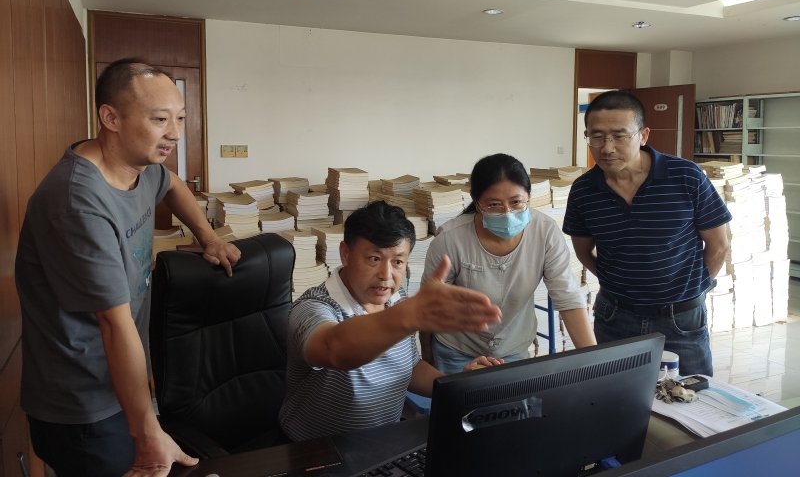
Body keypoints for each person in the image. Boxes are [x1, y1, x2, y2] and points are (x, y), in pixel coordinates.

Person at [15, 59, 242, 477]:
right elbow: (113, 323)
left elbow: (172, 184)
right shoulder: (78, 203)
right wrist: (147, 431)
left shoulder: (141, 167)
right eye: (160, 119)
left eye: (180, 118)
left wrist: (209, 237)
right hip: (83, 403)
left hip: (123, 380)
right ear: (111, 118)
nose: (175, 133)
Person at [279, 201, 503, 441]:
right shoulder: (312, 307)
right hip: (316, 451)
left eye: (397, 262)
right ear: (345, 254)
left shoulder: (396, 300)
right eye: (374, 259)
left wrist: (459, 384)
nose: (386, 275)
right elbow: (335, 349)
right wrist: (408, 316)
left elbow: (408, 367)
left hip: (382, 444)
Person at [563, 90, 731, 377]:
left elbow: (719, 245)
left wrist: (696, 289)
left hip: (681, 319)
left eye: (619, 136)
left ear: (643, 135)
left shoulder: (686, 177)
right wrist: (614, 280)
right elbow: (582, 250)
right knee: (614, 395)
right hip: (615, 317)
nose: (607, 148)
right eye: (597, 137)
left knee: (691, 393)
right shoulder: (583, 190)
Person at [419, 153, 596, 375]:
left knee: (513, 399)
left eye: (516, 202)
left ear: (529, 196)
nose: (507, 214)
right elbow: (428, 303)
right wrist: (427, 355)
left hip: (512, 350)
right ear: (477, 202)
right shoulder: (451, 239)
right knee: (459, 398)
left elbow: (568, 297)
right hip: (457, 351)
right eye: (494, 205)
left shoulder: (545, 233)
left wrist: (595, 362)